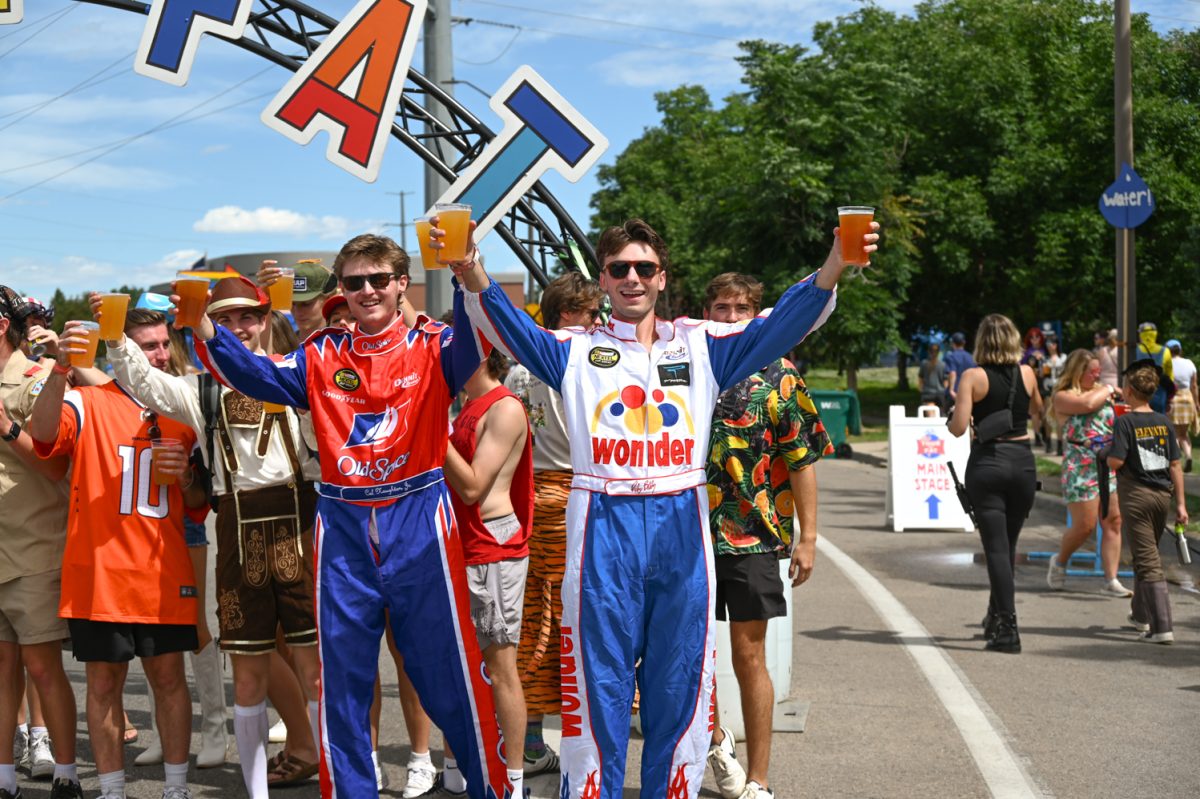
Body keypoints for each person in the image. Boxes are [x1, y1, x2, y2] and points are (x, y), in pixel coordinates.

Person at [451, 213, 877, 799]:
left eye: (643, 268)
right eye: (619, 268)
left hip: (682, 522)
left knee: (679, 682)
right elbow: (508, 330)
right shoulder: (573, 351)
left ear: (662, 277)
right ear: (601, 279)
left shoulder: (702, 344)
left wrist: (835, 264)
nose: (632, 278)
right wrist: (471, 268)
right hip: (601, 521)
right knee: (596, 683)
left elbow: (783, 325)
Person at [188, 234, 507, 799]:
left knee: (450, 675)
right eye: (355, 281)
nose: (367, 291)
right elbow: (252, 375)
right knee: (341, 688)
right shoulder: (319, 353)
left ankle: (492, 788)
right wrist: (203, 326)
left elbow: (482, 331)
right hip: (342, 525)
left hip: (419, 517)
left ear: (400, 284)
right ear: (342, 288)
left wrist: (466, 269)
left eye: (379, 279)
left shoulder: (435, 343)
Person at [99, 279, 324, 795]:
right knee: (246, 670)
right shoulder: (200, 388)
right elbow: (142, 382)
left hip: (301, 520)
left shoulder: (299, 374)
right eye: (225, 321)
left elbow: (321, 446)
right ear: (210, 329)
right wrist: (114, 336)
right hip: (237, 528)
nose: (240, 329)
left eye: (248, 317)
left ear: (266, 320)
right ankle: (257, 791)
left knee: (315, 669)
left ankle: (332, 777)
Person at [29, 311, 209, 799]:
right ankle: (111, 789)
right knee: (104, 684)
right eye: (146, 346)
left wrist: (188, 478)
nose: (158, 355)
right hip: (100, 572)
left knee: (171, 679)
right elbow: (44, 434)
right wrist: (59, 369)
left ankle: (175, 788)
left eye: (161, 345)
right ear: (120, 354)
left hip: (162, 569)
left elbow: (198, 503)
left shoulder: (183, 404)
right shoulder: (88, 400)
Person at [700, 274, 832, 799]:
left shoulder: (780, 376)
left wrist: (809, 537)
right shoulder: (690, 367)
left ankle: (758, 779)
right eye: (720, 307)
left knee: (747, 655)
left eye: (740, 308)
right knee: (686, 654)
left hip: (754, 536)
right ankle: (713, 740)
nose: (730, 317)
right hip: (688, 534)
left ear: (758, 315)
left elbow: (802, 462)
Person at [503, 273, 603, 779]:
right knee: (584, 615)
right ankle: (584, 739)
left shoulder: (520, 369)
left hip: (530, 494)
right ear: (570, 313)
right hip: (581, 492)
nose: (597, 321)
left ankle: (529, 740)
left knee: (534, 614)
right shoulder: (587, 361)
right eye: (590, 312)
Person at [0, 287, 83, 799]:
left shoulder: (32, 379)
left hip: (31, 546)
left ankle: (67, 774)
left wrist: (7, 427)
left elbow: (55, 463)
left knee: (40, 667)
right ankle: (4, 776)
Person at [443, 344, 534, 799]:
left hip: (492, 547)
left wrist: (431, 432)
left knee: (500, 668)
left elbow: (474, 486)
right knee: (453, 664)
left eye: (451, 351)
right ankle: (455, 768)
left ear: (477, 354)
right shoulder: (466, 404)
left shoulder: (504, 406)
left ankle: (513, 782)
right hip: (459, 543)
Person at [948, 314, 1043, 653]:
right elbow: (1037, 412)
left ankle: (1008, 628)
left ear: (982, 342)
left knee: (997, 550)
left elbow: (958, 428)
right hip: (1022, 463)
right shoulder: (1028, 373)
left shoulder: (972, 377)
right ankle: (994, 614)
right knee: (1008, 546)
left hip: (988, 463)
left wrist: (961, 413)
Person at [1107, 359, 1188, 644]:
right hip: (1162, 496)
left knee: (1149, 561)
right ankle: (1140, 616)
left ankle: (1162, 626)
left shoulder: (1125, 422)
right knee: (1147, 554)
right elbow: (1175, 465)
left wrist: (1105, 453)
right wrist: (1180, 504)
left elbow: (1116, 460)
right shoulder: (1164, 422)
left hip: (1136, 497)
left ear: (1128, 390)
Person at [1046, 349, 1130, 598]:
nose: (1097, 375)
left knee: (1113, 521)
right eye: (1092, 371)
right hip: (1080, 465)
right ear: (1077, 372)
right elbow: (1087, 405)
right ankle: (1060, 561)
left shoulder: (1101, 394)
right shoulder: (1063, 397)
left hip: (1109, 463)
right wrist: (1109, 389)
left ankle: (1111, 579)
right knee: (1085, 525)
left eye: (1098, 371)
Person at [259, 259, 336, 340]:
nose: (297, 312)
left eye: (306, 304)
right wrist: (264, 297)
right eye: (292, 303)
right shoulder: (285, 345)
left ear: (328, 300)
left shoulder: (341, 345)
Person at [1164, 339, 1197, 473]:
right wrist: (1197, 403)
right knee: (1183, 433)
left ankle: (1176, 460)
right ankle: (1188, 456)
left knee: (1173, 433)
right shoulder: (1189, 363)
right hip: (1187, 399)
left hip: (1173, 398)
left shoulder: (1167, 364)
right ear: (1180, 350)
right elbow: (1194, 385)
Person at [1135, 322, 1173, 413]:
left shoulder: (1134, 350)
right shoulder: (1165, 351)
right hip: (1159, 395)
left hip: (1138, 394)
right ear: (1155, 334)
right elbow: (1170, 376)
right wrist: (1169, 399)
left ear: (1141, 335)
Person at [1039, 335, 1067, 454]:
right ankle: (1049, 442)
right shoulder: (1044, 358)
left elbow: (1067, 372)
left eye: (1053, 343)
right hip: (1048, 389)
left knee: (1059, 416)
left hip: (1060, 389)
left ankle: (1060, 444)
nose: (1051, 345)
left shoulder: (1063, 357)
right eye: (1049, 343)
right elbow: (1041, 374)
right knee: (1048, 417)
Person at [943, 331, 976, 410]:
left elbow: (952, 373)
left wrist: (951, 390)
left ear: (952, 343)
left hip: (955, 393)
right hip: (968, 393)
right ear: (964, 343)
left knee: (950, 418)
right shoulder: (971, 357)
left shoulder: (951, 357)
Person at [918, 341, 947, 411]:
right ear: (938, 352)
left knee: (931, 417)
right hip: (940, 394)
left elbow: (920, 380)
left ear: (928, 351)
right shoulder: (943, 365)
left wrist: (921, 390)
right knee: (941, 416)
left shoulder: (924, 364)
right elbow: (945, 382)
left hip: (928, 393)